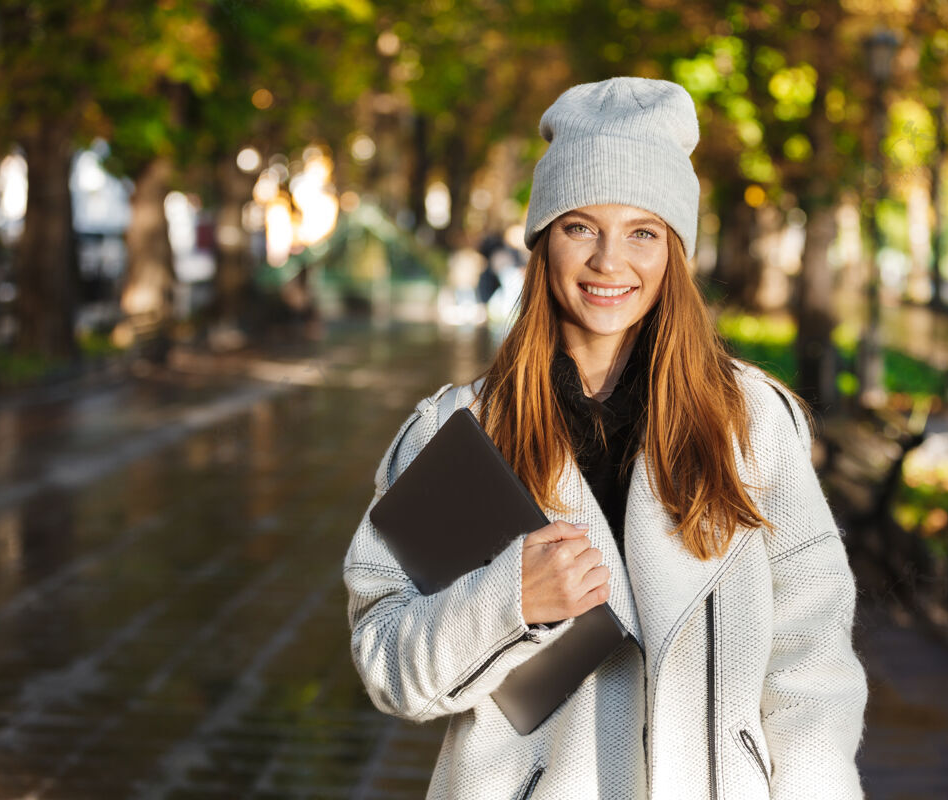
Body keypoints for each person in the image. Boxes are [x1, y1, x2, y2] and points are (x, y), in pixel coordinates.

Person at [344, 77, 868, 800]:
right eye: (580, 226)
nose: (608, 262)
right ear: (542, 240)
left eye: (642, 232)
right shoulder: (455, 435)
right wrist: (510, 603)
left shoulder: (752, 423)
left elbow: (812, 668)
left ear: (674, 252)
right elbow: (386, 662)